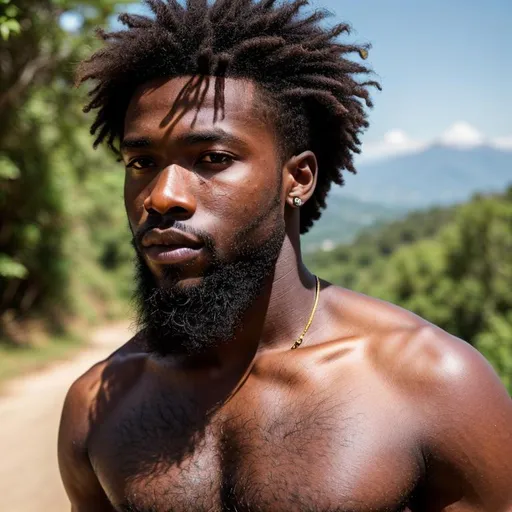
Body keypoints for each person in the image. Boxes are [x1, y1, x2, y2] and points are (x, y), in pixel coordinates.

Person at [58, 1, 512, 510]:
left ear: (297, 179)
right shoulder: (98, 404)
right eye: (141, 161)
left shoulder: (433, 384)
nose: (162, 196)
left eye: (213, 158)